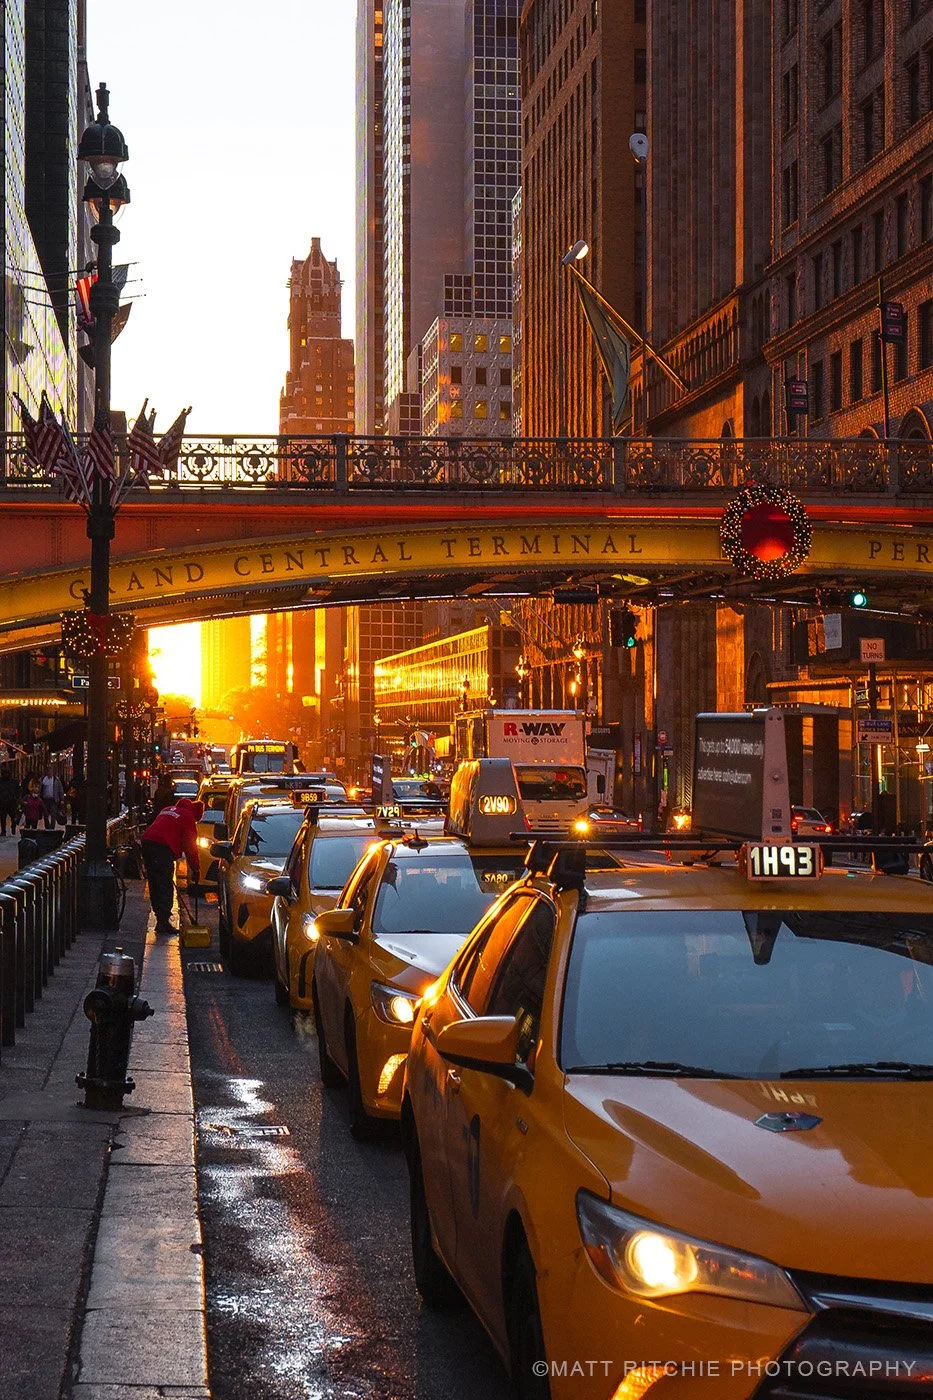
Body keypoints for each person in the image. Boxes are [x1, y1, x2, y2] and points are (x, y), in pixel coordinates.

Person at [140, 796, 203, 935]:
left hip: (147, 843)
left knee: (155, 883)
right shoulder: (188, 817)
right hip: (162, 847)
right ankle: (163, 922)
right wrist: (196, 868)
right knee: (165, 884)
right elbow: (190, 846)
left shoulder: (168, 809)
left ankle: (160, 918)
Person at [0, 769, 19, 836]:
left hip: (11, 802)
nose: (6, 775)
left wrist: (16, 798)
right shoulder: (1, 782)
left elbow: (18, 791)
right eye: (4, 773)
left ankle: (13, 827)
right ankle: (3, 831)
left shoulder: (14, 782)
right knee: (3, 818)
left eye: (7, 773)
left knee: (13, 817)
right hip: (2, 802)